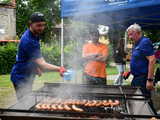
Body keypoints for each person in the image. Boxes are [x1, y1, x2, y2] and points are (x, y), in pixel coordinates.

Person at [11, 12, 66, 100]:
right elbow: (42, 64)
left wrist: (35, 67)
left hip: (27, 75)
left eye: (43, 25)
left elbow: (29, 56)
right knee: (25, 103)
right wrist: (59, 68)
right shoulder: (29, 40)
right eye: (38, 25)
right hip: (21, 78)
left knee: (28, 100)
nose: (41, 28)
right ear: (30, 24)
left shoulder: (33, 35)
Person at [124, 23, 157, 114]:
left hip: (143, 78)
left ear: (138, 32)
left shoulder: (145, 42)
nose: (130, 37)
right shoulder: (136, 44)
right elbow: (140, 60)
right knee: (136, 100)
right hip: (136, 78)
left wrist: (149, 80)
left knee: (145, 101)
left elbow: (152, 60)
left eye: (131, 34)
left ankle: (153, 117)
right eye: (129, 35)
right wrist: (130, 71)